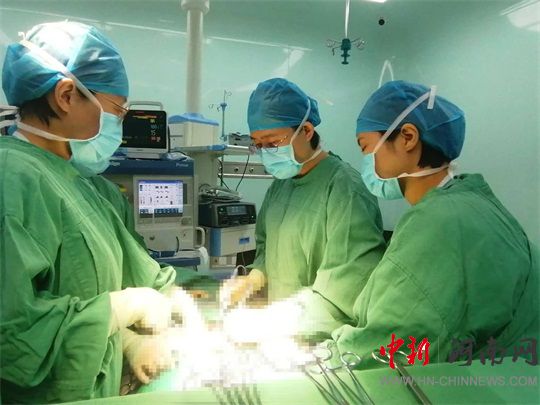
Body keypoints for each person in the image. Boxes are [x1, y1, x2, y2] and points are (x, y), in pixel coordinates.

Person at [0, 21, 192, 403]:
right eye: (117, 111)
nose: (119, 124)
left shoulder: (86, 182)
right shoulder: (12, 179)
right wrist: (119, 309)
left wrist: (133, 337)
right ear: (66, 95)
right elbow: (12, 336)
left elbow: (131, 268)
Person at [329, 80, 538, 367]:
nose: (366, 160)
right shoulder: (472, 202)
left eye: (366, 147)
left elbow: (390, 346)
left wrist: (323, 356)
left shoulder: (439, 222)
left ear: (407, 137)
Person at [221, 78, 387, 334]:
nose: (266, 151)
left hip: (325, 337)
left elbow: (348, 285)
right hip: (282, 333)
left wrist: (281, 318)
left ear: (307, 131)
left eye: (272, 142)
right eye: (258, 144)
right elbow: (266, 248)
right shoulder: (280, 186)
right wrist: (254, 278)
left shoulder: (346, 189)